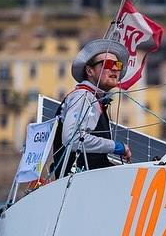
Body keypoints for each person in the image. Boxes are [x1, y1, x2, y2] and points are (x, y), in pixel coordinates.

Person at [52, 39, 132, 177]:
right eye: (107, 64)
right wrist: (117, 146)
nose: (115, 68)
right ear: (89, 70)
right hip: (79, 180)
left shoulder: (94, 98)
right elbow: (72, 138)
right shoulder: (84, 96)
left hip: (89, 178)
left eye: (117, 64)